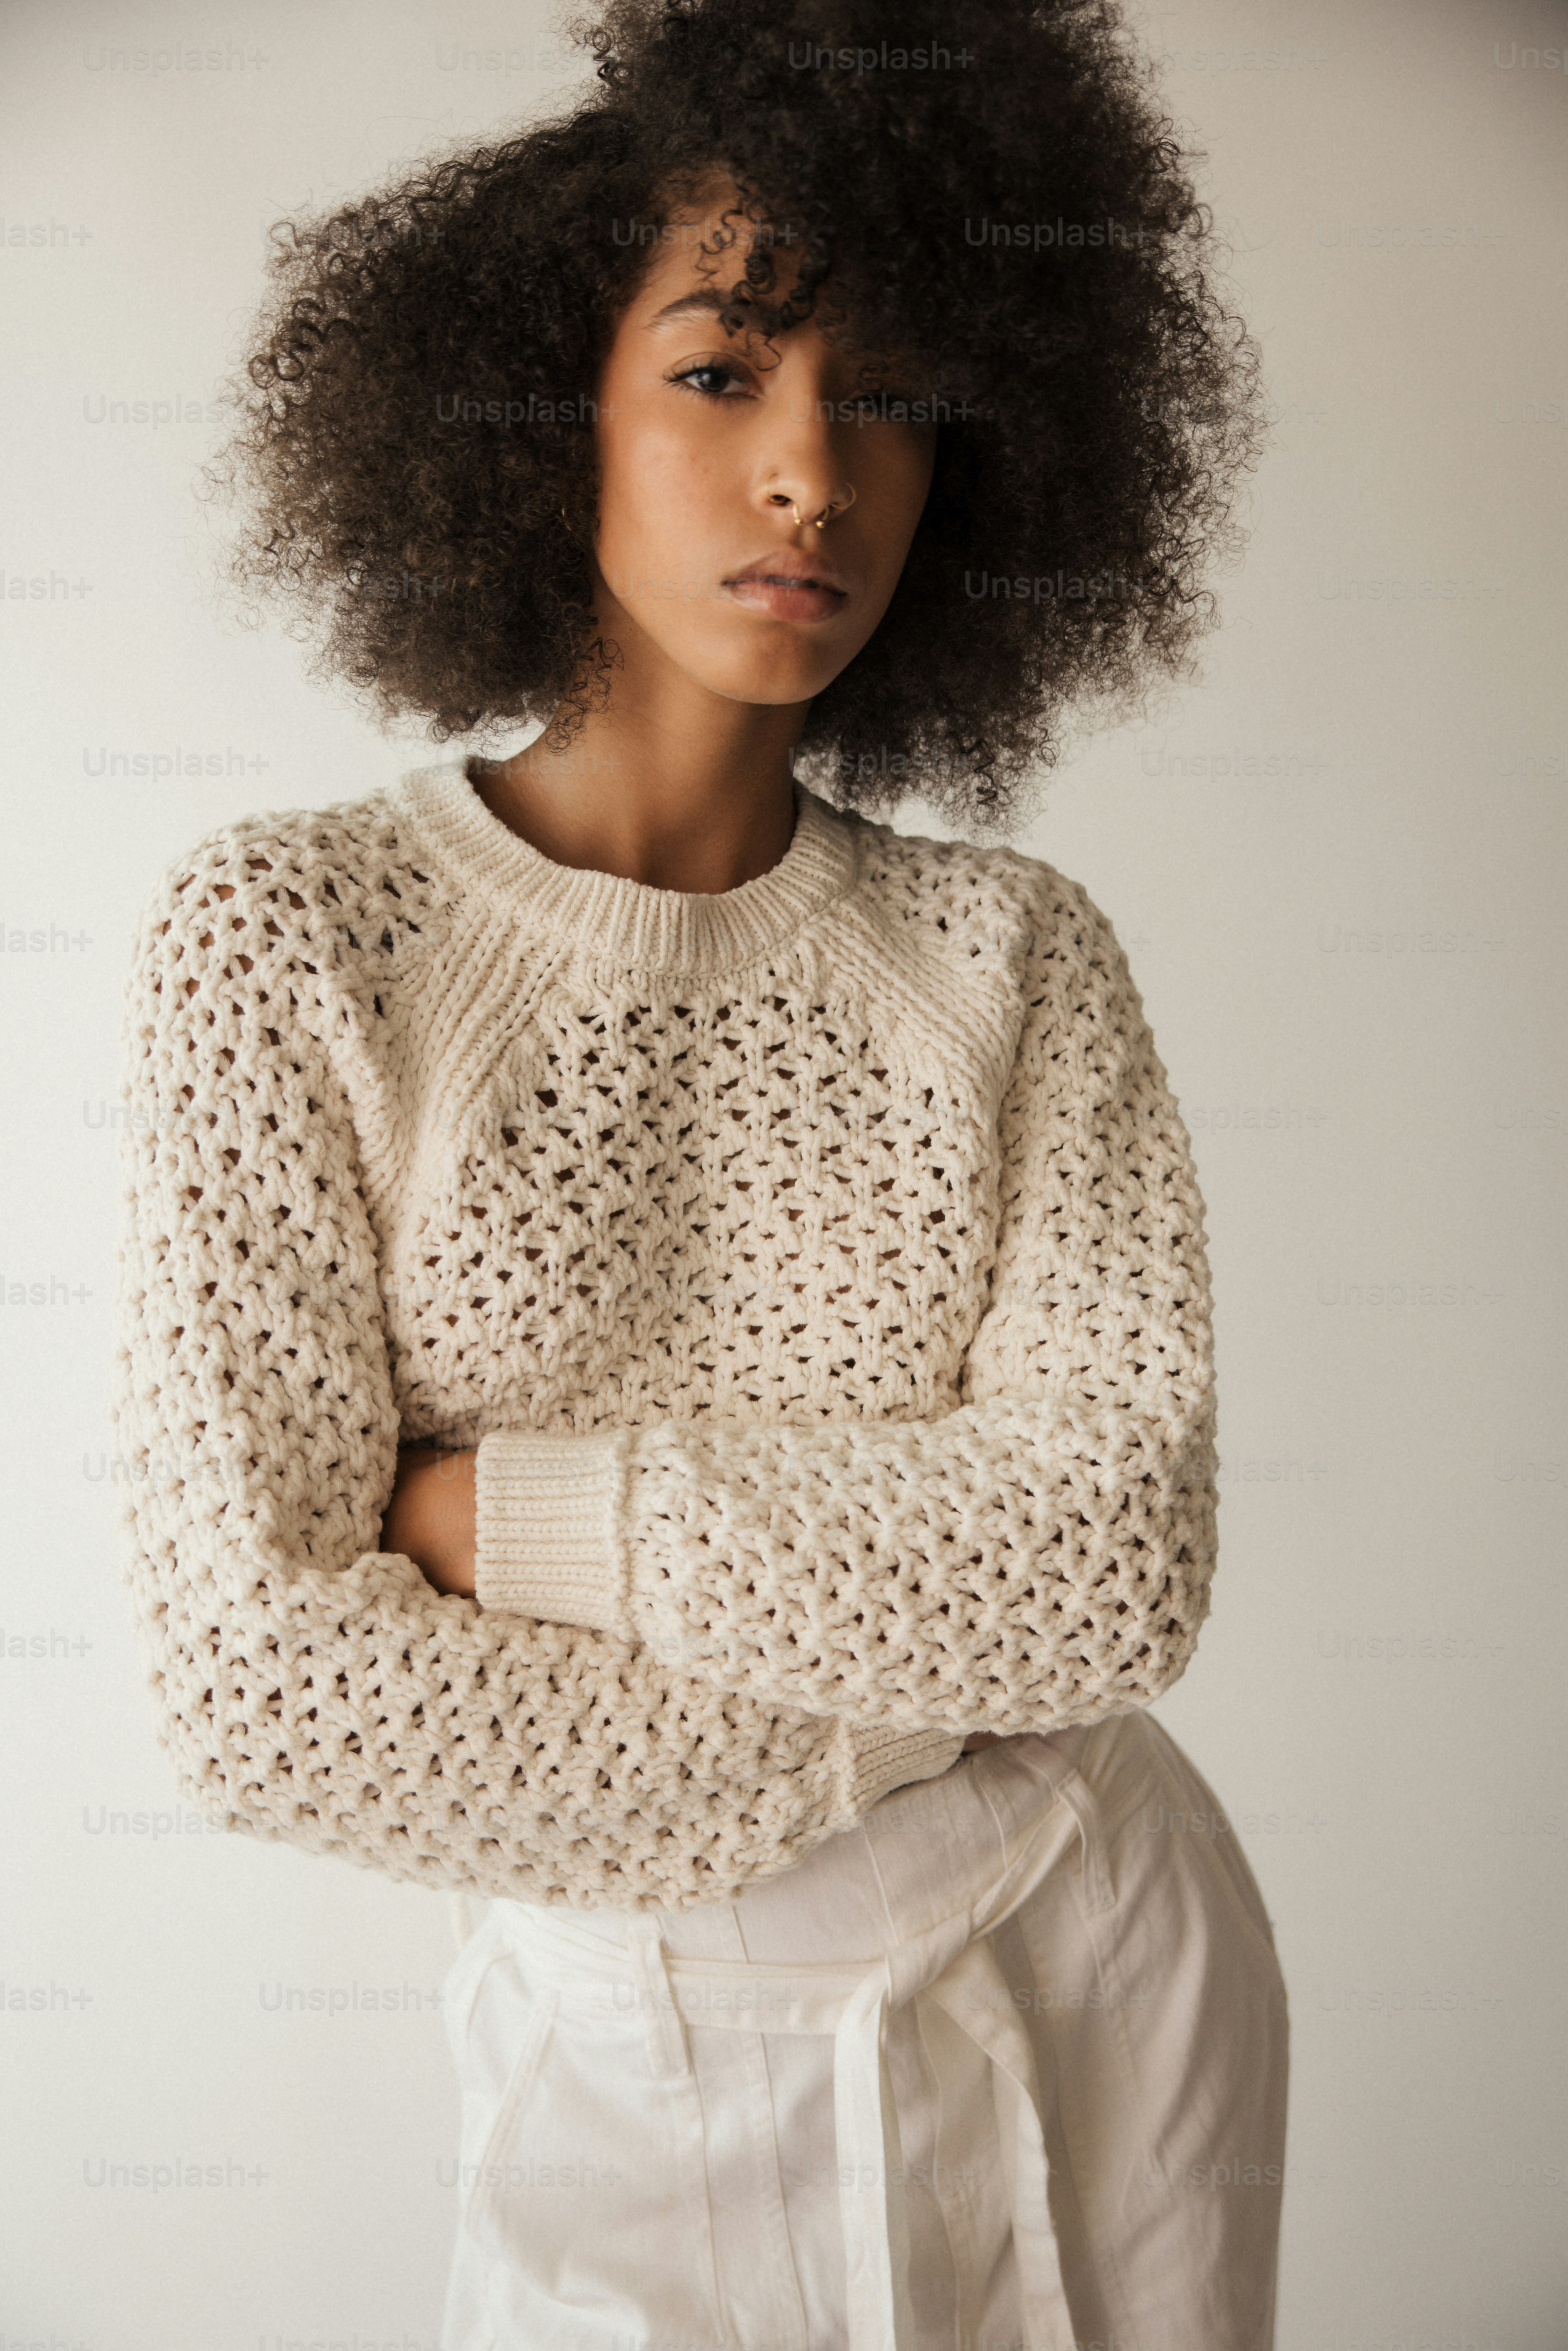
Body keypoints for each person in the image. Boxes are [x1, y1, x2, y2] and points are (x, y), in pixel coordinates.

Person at [112, 1, 1286, 2344]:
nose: (811, 474)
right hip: (633, 2021)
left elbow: (1109, 1568)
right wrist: (927, 1704)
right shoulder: (293, 941)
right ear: (541, 404)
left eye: (890, 396)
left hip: (1094, 1946)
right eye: (725, 371)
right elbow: (262, 1687)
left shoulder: (1012, 955)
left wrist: (513, 1520)